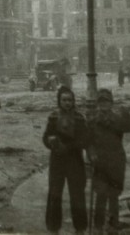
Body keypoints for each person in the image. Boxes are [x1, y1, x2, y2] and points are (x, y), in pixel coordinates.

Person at [87, 88, 130, 234]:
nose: (104, 104)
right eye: (101, 101)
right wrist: (91, 154)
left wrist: (127, 114)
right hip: (100, 162)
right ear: (98, 103)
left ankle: (113, 223)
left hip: (116, 160)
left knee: (114, 193)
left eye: (107, 101)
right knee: (101, 193)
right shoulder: (92, 121)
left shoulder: (117, 119)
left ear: (111, 103)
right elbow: (87, 141)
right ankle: (98, 225)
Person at [43, 86, 88, 235]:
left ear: (74, 101)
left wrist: (66, 147)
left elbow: (83, 140)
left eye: (70, 100)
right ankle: (53, 228)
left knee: (77, 196)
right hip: (57, 161)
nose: (67, 103)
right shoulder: (53, 117)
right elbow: (45, 137)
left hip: (75, 161)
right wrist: (50, 141)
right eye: (64, 100)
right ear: (59, 101)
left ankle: (80, 229)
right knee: (55, 194)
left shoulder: (80, 118)